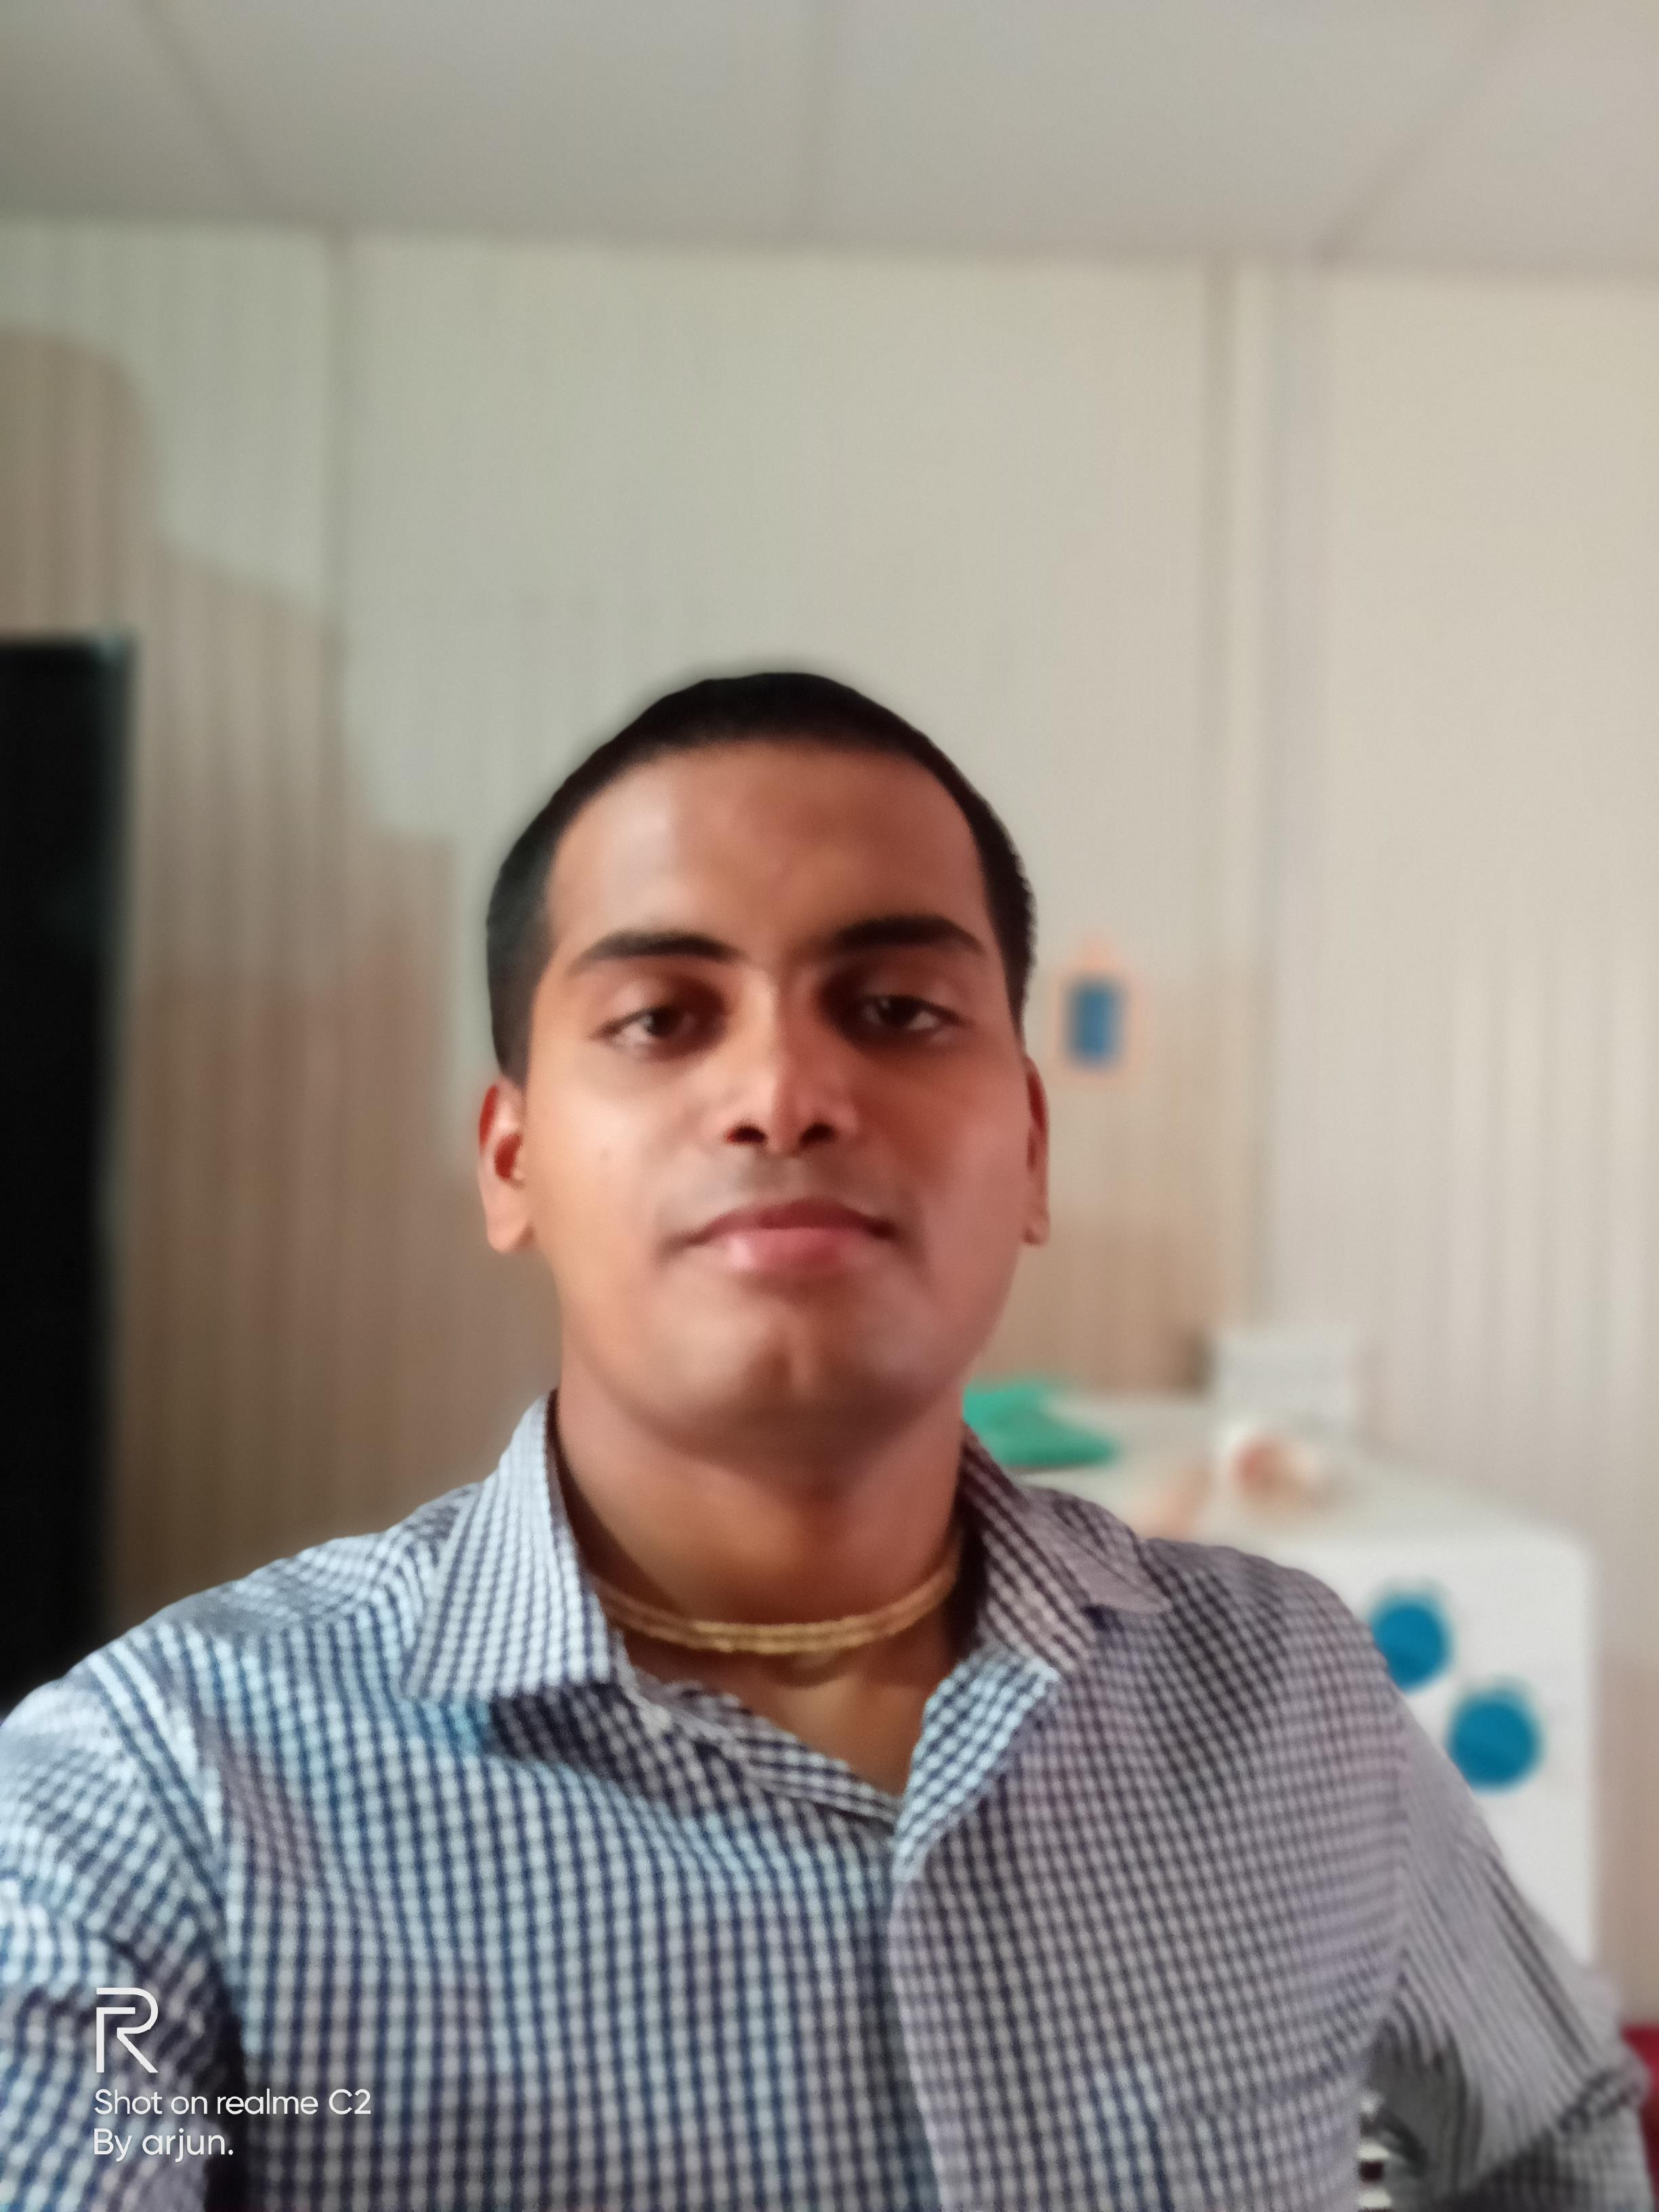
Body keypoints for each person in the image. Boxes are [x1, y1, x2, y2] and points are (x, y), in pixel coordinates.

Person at [0, 670, 1650, 2211]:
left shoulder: (1290, 1704)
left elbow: (1553, 2125)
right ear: (513, 1163)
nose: (784, 1091)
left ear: (1031, 1148)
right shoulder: (160, 1806)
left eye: (898, 1008)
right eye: (662, 1017)